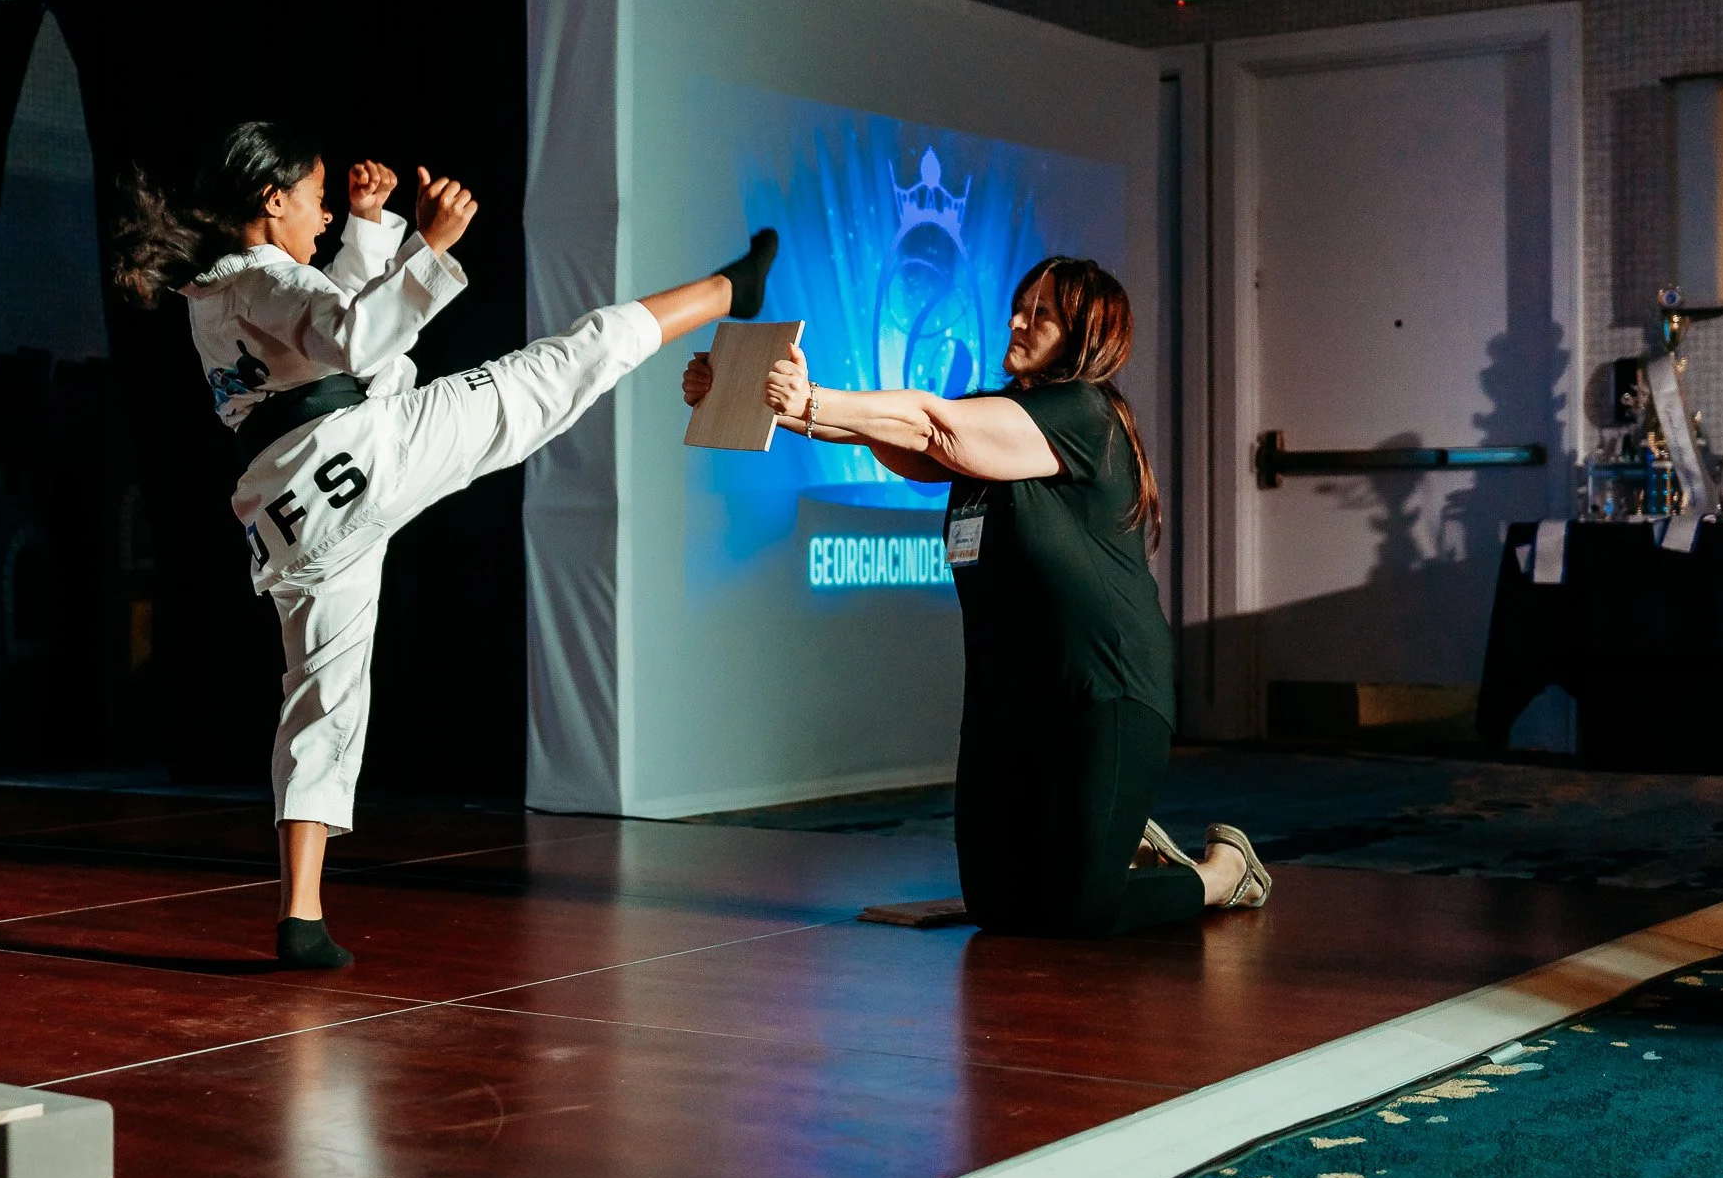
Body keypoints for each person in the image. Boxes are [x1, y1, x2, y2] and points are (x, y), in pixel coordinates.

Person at [109, 120, 777, 968]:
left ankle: (302, 915)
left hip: (298, 513)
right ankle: (728, 291)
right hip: (365, 458)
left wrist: (368, 225)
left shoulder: (218, 292)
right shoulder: (263, 278)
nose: (320, 219)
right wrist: (428, 244)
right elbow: (352, 336)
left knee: (321, 700)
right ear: (271, 200)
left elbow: (329, 336)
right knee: (565, 363)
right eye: (316, 202)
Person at [684, 255, 1268, 935]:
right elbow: (902, 437)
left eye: (1041, 313)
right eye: (1020, 304)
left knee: (1082, 911)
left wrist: (810, 398)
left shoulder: (1084, 413)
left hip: (1102, 695)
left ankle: (1219, 874)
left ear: (1085, 333)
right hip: (1010, 705)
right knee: (999, 905)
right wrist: (752, 394)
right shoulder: (1001, 421)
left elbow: (931, 424)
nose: (1018, 318)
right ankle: (1113, 847)